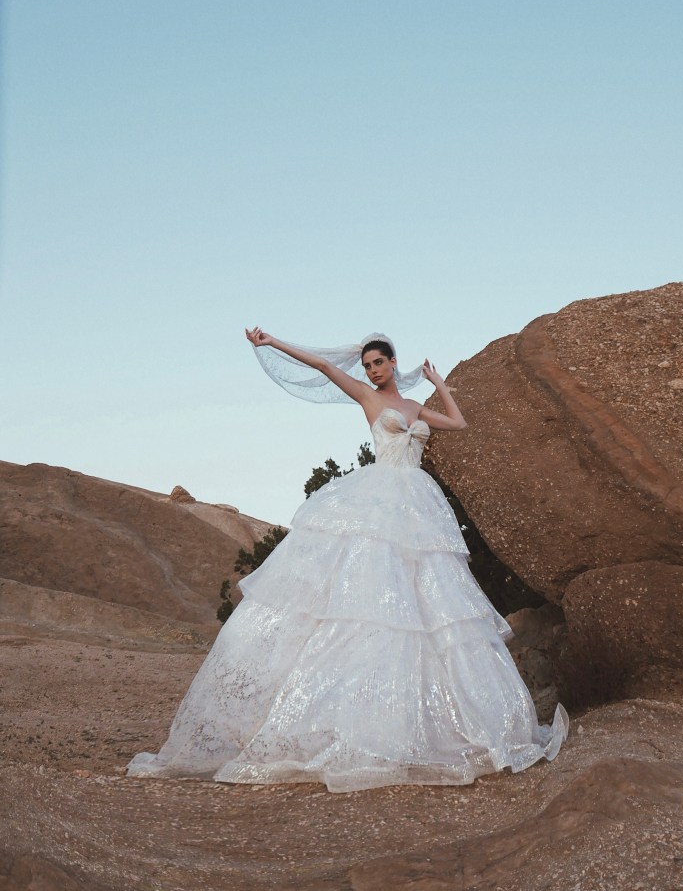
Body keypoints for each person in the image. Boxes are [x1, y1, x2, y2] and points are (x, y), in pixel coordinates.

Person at [126, 328, 568, 792]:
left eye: (380, 363)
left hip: (416, 504)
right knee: (373, 601)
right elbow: (322, 367)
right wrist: (273, 343)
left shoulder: (416, 409)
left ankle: (441, 723)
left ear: (394, 363)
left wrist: (438, 384)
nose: (373, 370)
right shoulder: (367, 398)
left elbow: (458, 424)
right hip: (379, 500)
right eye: (369, 365)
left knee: (430, 602)